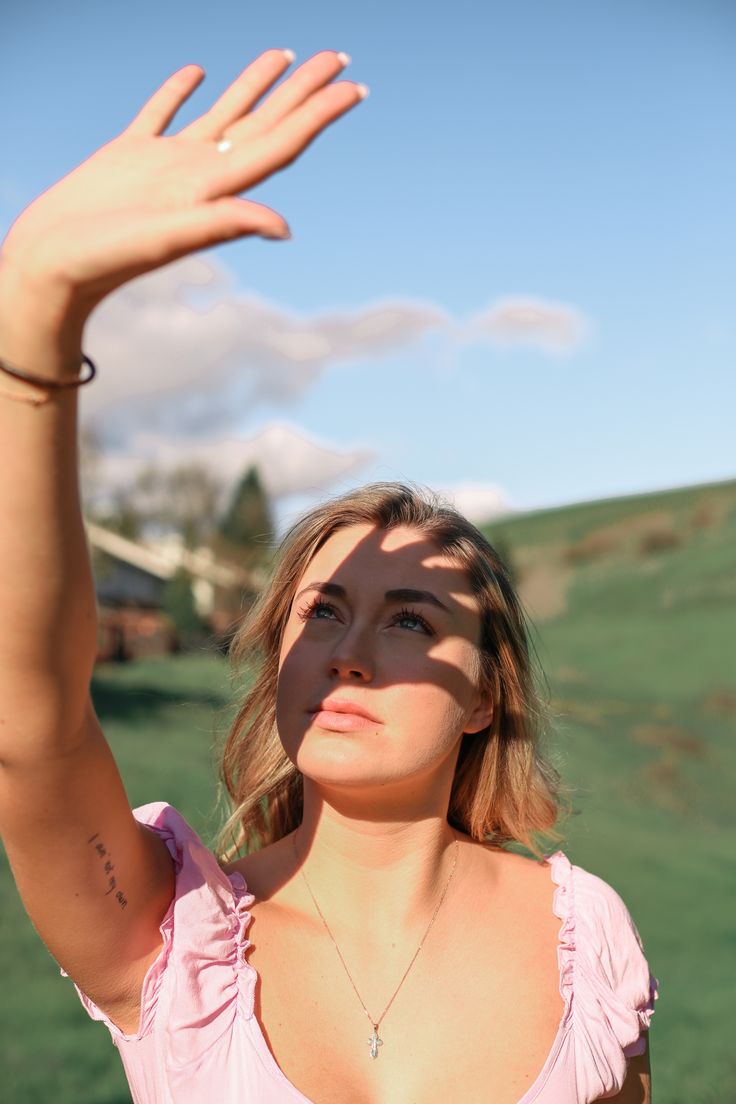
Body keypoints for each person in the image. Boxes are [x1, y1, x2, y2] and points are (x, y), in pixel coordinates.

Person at [0, 47, 658, 1104]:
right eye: (322, 612)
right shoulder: (165, 936)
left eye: (409, 621)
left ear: (484, 691)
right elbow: (31, 720)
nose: (349, 654)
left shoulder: (583, 937)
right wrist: (32, 307)